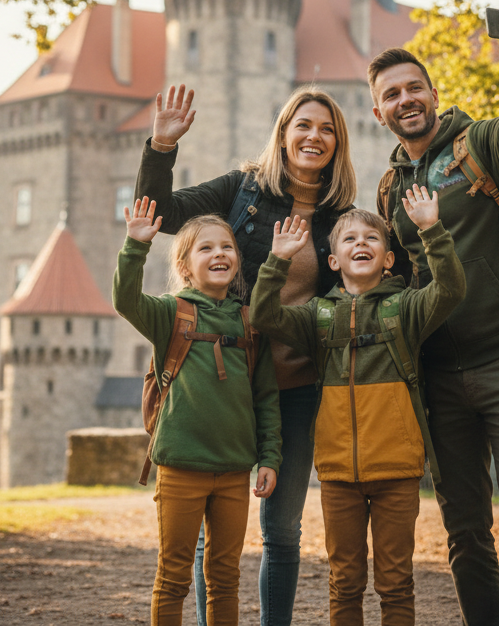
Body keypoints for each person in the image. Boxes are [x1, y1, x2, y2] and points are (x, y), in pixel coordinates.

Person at [368, 8, 499, 625]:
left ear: (434, 95)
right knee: (464, 531)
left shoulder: (482, 144)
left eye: (413, 88)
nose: (405, 100)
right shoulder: (388, 190)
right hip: (440, 379)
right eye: (391, 96)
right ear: (379, 113)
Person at [135, 85, 357, 626]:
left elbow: (355, 285)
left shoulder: (340, 216)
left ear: (338, 144)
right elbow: (162, 215)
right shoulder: (244, 190)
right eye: (303, 125)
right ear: (283, 134)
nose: (314, 136)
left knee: (282, 532)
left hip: (301, 384)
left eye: (327, 129)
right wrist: (161, 148)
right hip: (231, 376)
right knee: (218, 533)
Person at [249, 193, 466, 626]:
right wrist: (278, 260)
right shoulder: (318, 316)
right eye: (348, 239)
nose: (360, 243)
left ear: (388, 259)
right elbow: (264, 314)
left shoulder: (405, 307)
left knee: (396, 583)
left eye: (371, 238)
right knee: (344, 581)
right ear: (333, 261)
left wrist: (431, 230)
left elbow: (450, 289)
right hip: (338, 476)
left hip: (397, 470)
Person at [113, 199, 282, 626]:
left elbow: (265, 397)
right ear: (186, 266)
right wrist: (135, 245)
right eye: (205, 249)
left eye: (226, 247)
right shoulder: (170, 313)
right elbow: (125, 300)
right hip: (180, 468)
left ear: (238, 260)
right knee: (172, 578)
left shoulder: (249, 323)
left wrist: (271, 458)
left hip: (233, 472)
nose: (219, 254)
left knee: (225, 578)